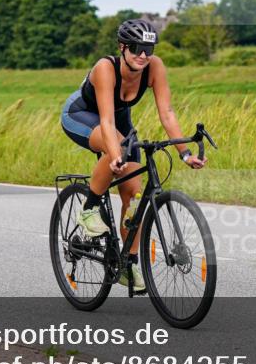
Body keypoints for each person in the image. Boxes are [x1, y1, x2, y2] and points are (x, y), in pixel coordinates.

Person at [60, 19, 207, 291]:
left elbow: (167, 113)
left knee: (134, 197)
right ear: (122, 47)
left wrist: (185, 153)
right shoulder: (106, 68)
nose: (143, 55)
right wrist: (115, 154)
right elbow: (105, 122)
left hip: (121, 120)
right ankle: (90, 209)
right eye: (137, 48)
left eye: (148, 49)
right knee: (116, 145)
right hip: (82, 115)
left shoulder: (155, 66)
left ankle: (127, 263)